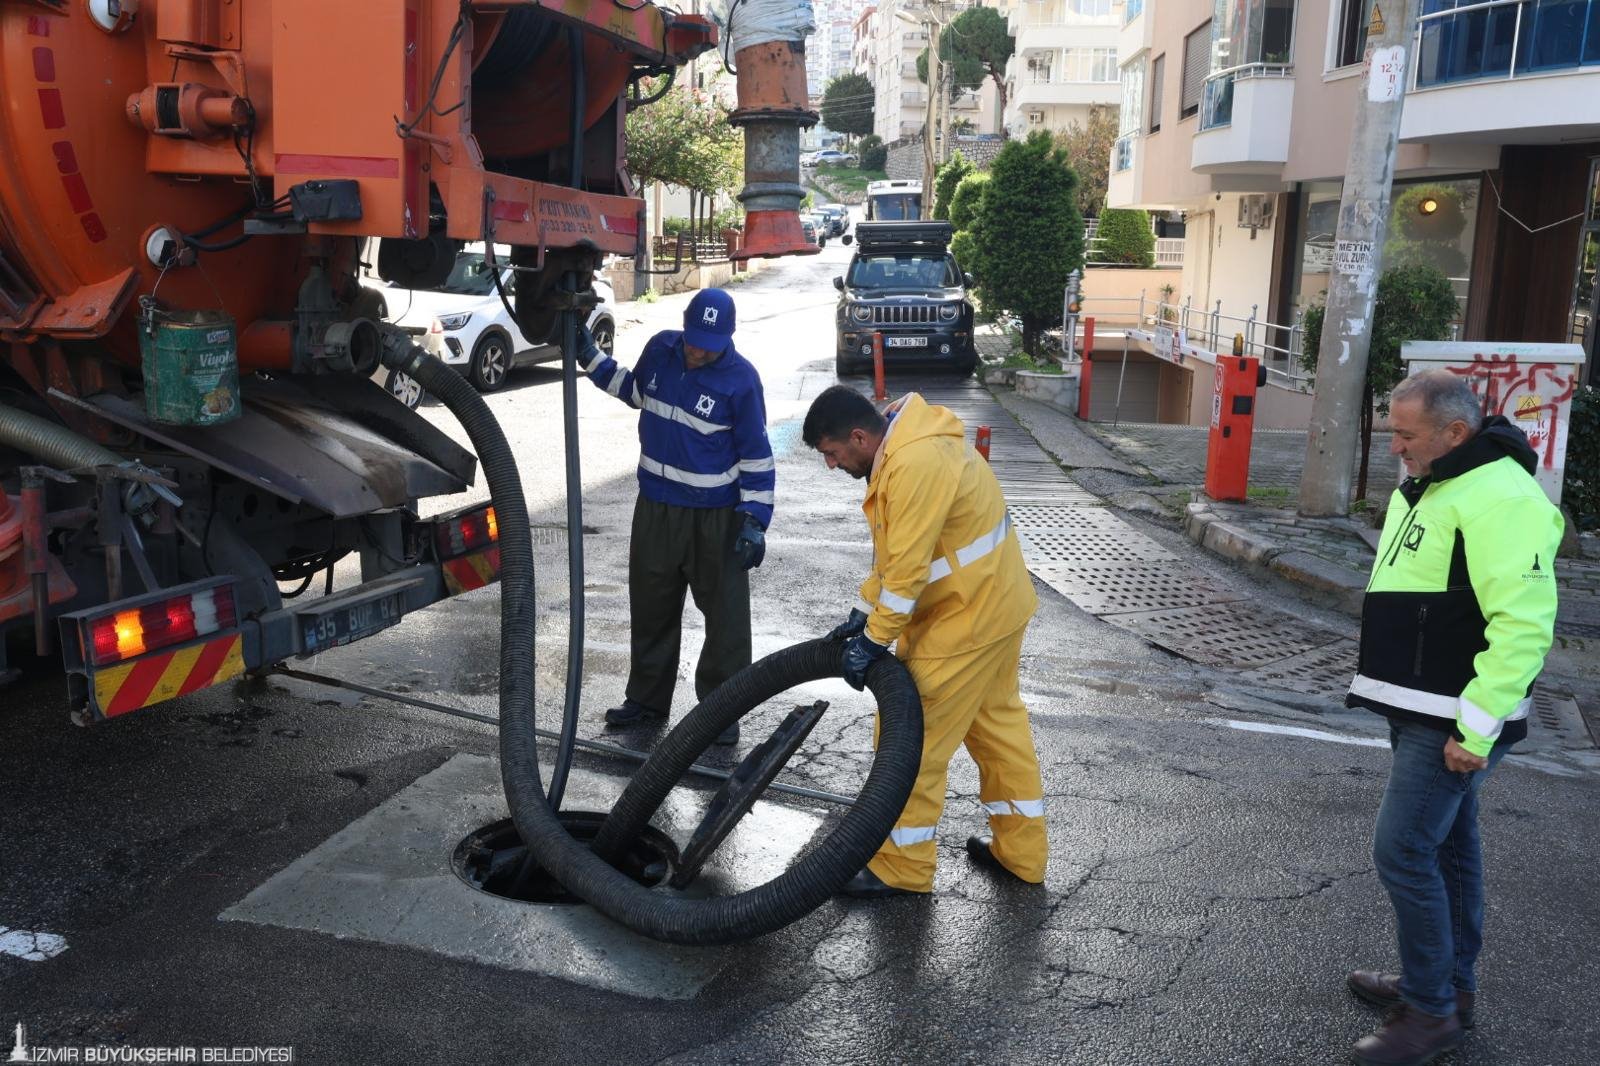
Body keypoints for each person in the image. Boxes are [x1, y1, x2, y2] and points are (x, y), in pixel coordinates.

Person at [1343, 369, 1562, 1065]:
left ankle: (1432, 1012)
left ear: (1454, 432)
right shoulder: (1441, 480)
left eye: (1406, 435)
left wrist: (1479, 728)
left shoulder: (1500, 493)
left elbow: (1524, 622)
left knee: (1402, 850)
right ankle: (1445, 988)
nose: (1395, 448)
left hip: (1452, 717)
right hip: (1421, 705)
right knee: (1447, 849)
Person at [803, 385, 1048, 898]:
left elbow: (910, 568)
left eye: (832, 453)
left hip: (964, 620)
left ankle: (903, 868)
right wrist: (864, 611)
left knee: (909, 742)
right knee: (997, 732)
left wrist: (873, 639)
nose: (831, 465)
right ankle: (1022, 855)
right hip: (996, 602)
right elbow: (898, 553)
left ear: (857, 436)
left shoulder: (913, 462)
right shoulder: (906, 438)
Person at [580, 288, 774, 746]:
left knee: (726, 620)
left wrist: (755, 518)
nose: (699, 349)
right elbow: (631, 390)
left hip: (716, 518)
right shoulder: (661, 350)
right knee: (651, 607)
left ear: (728, 337)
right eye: (694, 338)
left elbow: (757, 456)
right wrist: (588, 355)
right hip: (656, 509)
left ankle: (720, 713)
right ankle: (646, 701)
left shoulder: (742, 381)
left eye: (710, 342)